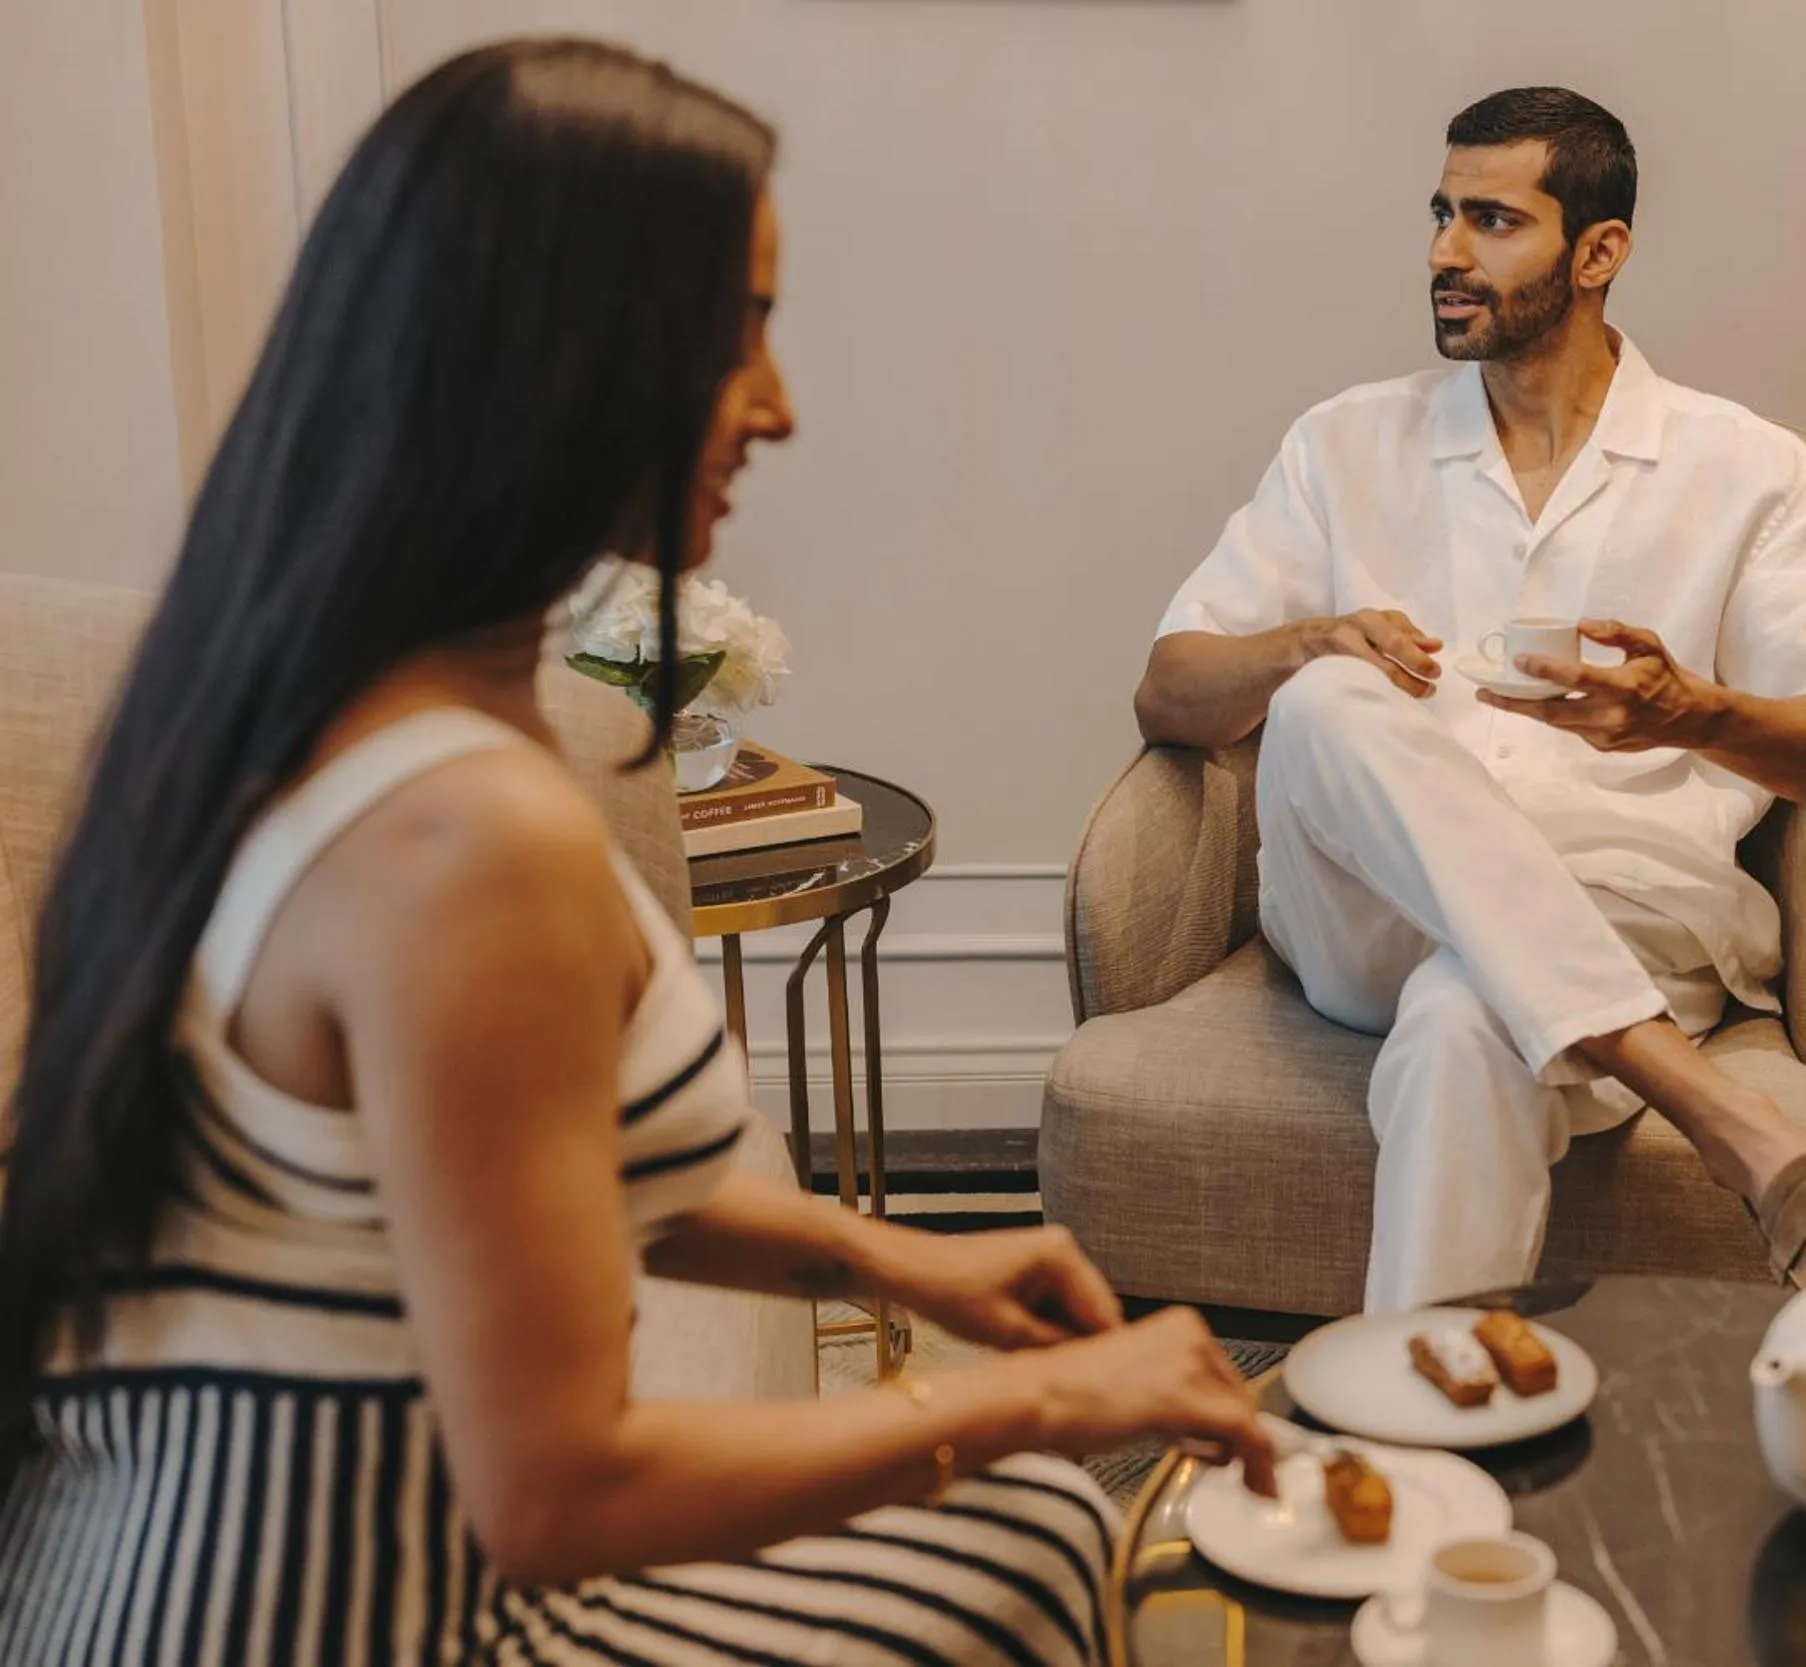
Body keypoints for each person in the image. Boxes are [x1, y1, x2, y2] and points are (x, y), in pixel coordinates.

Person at [0, 40, 1270, 1665]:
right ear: (565, 345)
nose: (781, 404)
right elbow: (557, 1489)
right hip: (327, 1616)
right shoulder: (463, 838)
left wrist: (895, 1254)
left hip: (230, 1564)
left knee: (1028, 1534)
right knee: (1036, 1531)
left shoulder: (346, 691)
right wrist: (1051, 1396)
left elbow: (497, 1164)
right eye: (739, 328)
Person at [1135, 87, 1806, 1314]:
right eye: (1443, 215)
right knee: (1328, 693)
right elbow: (1168, 691)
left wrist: (1686, 714)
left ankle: (1426, 1442)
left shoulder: (1751, 472)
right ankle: (1726, 1118)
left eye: (1493, 221)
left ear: (1599, 251)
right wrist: (1309, 639)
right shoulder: (1344, 443)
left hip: (1627, 905)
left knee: (1468, 1017)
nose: (1444, 253)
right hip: (1365, 922)